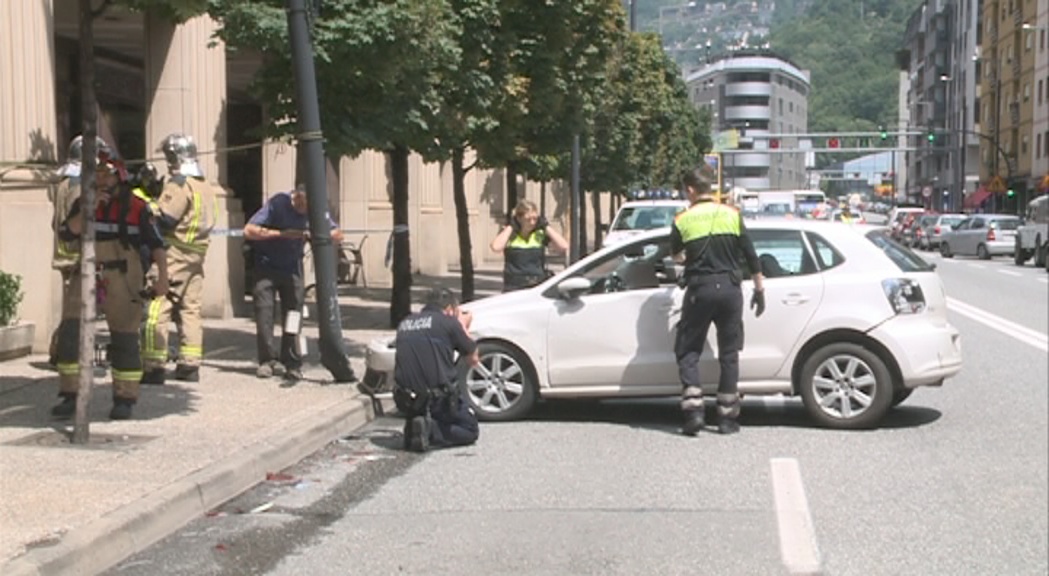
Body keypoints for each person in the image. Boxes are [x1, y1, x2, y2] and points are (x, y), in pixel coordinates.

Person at [52, 152, 169, 420]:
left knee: (125, 336)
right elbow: (67, 233)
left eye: (106, 173)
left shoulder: (138, 206)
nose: (101, 179)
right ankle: (70, 395)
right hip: (87, 271)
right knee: (71, 331)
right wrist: (88, 211)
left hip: (123, 274)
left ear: (120, 176)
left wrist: (162, 278)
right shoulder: (84, 201)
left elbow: (157, 245)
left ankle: (124, 398)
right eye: (97, 173)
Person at [671, 164, 765, 436]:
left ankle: (693, 413)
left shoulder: (682, 220)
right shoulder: (732, 214)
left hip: (700, 290)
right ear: (709, 188)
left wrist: (690, 259)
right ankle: (726, 419)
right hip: (730, 289)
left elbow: (677, 257)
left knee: (688, 350)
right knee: (729, 353)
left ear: (690, 190)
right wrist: (759, 290)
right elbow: (750, 254)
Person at [243, 184, 342, 382]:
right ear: (296, 197)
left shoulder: (315, 208)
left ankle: (292, 362)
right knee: (264, 314)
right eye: (303, 205)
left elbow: (338, 234)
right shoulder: (277, 203)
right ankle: (267, 361)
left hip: (293, 270)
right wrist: (281, 234)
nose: (305, 210)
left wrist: (316, 235)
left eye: (309, 206)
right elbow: (249, 230)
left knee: (294, 317)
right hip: (266, 268)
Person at [141, 134, 217, 385]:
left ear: (174, 157)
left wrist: (147, 201)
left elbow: (165, 219)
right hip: (197, 256)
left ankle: (153, 365)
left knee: (156, 307)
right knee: (190, 309)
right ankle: (189, 365)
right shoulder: (206, 185)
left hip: (174, 254)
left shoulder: (179, 184)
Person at [48, 135, 110, 368]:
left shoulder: (63, 183)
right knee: (77, 313)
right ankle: (66, 355)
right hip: (77, 256)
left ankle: (61, 352)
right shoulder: (79, 187)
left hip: (66, 254)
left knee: (73, 311)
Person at [393, 287, 480, 453]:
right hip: (437, 400)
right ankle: (429, 429)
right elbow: (473, 359)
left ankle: (416, 423)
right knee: (469, 430)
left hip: (406, 400)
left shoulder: (405, 322)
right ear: (449, 309)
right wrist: (462, 326)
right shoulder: (448, 322)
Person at [489, 199, 569, 291]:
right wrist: (511, 226)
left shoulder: (539, 234)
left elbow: (563, 246)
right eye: (528, 219)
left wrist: (546, 226)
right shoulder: (510, 234)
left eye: (535, 219)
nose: (532, 223)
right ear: (519, 218)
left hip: (536, 285)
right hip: (514, 286)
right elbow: (495, 247)